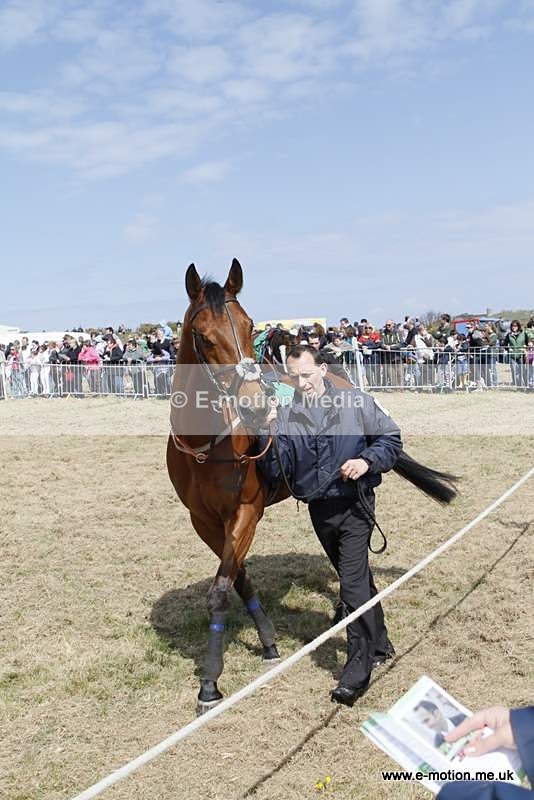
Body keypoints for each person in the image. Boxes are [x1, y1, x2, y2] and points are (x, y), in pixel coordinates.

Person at [258, 345, 402, 706]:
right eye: (294, 377)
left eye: (307, 374)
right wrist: (268, 431)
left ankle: (357, 672)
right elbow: (277, 470)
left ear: (322, 369)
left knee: (351, 586)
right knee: (357, 579)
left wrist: (366, 462)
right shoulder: (288, 412)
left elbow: (391, 440)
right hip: (319, 509)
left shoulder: (355, 402)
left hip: (356, 505)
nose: (301, 383)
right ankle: (381, 644)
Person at [437, 705, 534, 799]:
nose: (427, 725)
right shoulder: (437, 739)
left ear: (436, 713)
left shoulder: (459, 717)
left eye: (427, 720)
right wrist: (524, 729)